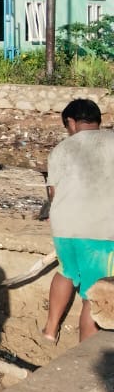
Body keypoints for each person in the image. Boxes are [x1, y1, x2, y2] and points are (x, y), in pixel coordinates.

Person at [42, 98, 114, 343]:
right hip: (101, 230)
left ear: (71, 122)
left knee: (66, 272)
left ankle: (50, 331)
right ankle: (85, 352)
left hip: (64, 226)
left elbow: (53, 193)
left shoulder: (61, 149)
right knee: (94, 294)